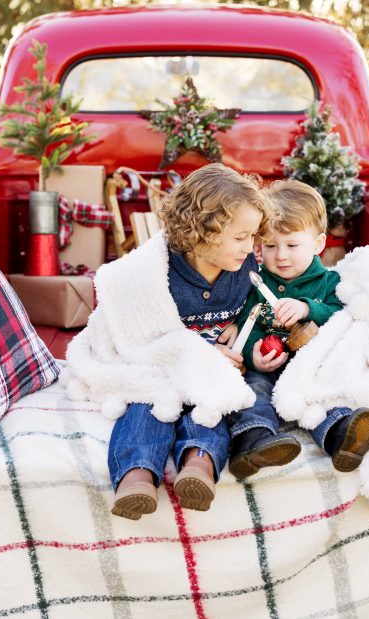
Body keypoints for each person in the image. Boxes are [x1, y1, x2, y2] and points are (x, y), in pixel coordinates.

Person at [104, 164, 272, 520]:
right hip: (162, 370)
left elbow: (260, 311)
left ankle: (200, 464)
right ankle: (137, 475)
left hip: (208, 377)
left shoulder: (245, 270)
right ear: (203, 231)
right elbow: (137, 332)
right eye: (240, 237)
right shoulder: (157, 271)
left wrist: (242, 342)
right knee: (145, 404)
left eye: (253, 237)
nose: (249, 247)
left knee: (213, 410)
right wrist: (202, 356)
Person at [226, 179, 369, 478]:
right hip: (269, 370)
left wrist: (309, 308)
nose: (280, 255)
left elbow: (343, 316)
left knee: (324, 400)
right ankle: (253, 441)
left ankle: (342, 437)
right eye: (270, 246)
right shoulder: (259, 283)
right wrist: (253, 352)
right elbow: (248, 323)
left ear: (318, 244)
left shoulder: (329, 283)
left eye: (292, 245)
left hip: (312, 371)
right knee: (254, 390)